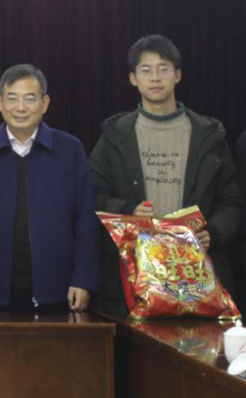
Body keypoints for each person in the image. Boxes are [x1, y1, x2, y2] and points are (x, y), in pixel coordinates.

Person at [91, 35, 241, 305]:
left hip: (197, 273)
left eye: (163, 69)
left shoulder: (208, 136)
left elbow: (231, 201)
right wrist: (128, 211)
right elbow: (93, 194)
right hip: (135, 272)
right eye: (145, 70)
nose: (155, 78)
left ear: (178, 75)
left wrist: (214, 233)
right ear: (133, 79)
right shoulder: (116, 135)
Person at [0, 64, 99, 312]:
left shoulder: (70, 150)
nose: (20, 108)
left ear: (44, 103)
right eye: (12, 98)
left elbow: (86, 220)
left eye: (29, 99)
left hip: (59, 291)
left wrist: (83, 279)